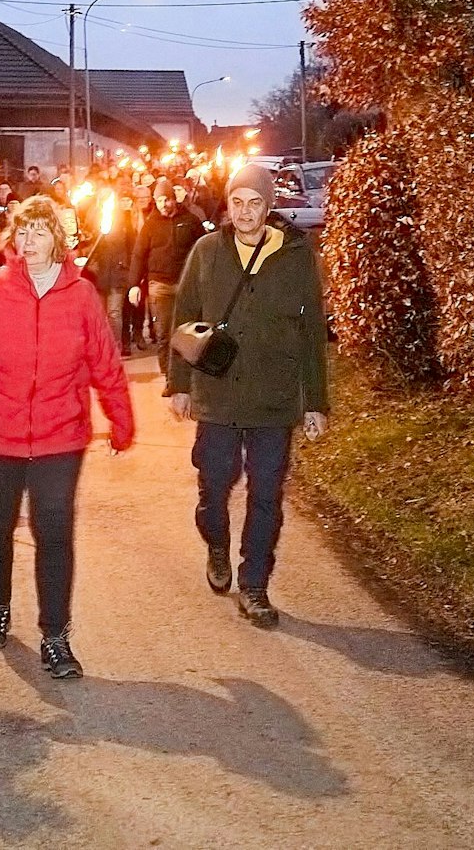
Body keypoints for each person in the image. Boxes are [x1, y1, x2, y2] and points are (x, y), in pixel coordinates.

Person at [0, 195, 135, 680]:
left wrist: (121, 418)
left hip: (59, 436)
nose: (29, 242)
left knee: (53, 532)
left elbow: (104, 362)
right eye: (22, 233)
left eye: (39, 232)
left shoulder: (82, 296)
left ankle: (55, 636)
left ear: (58, 239)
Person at [165, 164, 330, 629]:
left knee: (265, 496)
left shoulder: (296, 256)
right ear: (227, 205)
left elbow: (311, 332)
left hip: (273, 398)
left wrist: (315, 400)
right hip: (217, 394)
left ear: (268, 204)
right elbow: (184, 318)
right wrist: (179, 385)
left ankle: (254, 584)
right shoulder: (207, 251)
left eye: (254, 202)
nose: (245, 212)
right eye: (237, 202)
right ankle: (216, 542)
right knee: (214, 485)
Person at [130, 177, 206, 372]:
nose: (163, 204)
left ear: (174, 199)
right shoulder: (150, 225)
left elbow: (203, 250)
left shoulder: (190, 221)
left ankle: (184, 371)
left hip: (185, 283)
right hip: (159, 285)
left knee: (185, 331)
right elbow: (139, 255)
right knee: (163, 333)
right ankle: (168, 375)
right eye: (159, 200)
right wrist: (134, 284)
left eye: (167, 199)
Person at [81, 194, 136, 356]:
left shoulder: (125, 225)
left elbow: (131, 248)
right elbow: (90, 248)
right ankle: (101, 348)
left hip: (118, 274)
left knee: (114, 313)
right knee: (101, 313)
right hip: (100, 274)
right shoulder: (95, 225)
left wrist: (127, 268)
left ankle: (115, 347)